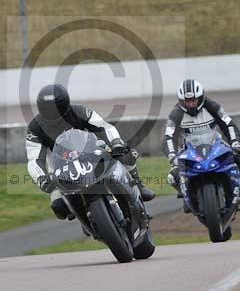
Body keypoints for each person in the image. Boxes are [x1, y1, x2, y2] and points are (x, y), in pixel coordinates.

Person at [25, 83, 155, 220]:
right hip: (62, 170)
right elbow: (34, 159)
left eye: (55, 110)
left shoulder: (79, 111)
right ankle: (85, 219)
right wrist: (42, 178)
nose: (51, 114)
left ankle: (138, 185)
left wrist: (116, 142)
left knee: (126, 154)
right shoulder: (35, 128)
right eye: (46, 110)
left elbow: (103, 127)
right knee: (59, 207)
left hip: (92, 155)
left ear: (65, 105)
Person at [163, 79, 240, 212]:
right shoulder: (175, 114)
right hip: (188, 150)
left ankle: (237, 191)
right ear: (181, 100)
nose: (190, 104)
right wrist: (172, 156)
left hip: (215, 145)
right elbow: (168, 136)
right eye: (187, 101)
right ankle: (187, 197)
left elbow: (228, 123)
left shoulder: (212, 106)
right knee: (172, 176)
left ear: (200, 97)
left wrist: (235, 143)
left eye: (193, 100)